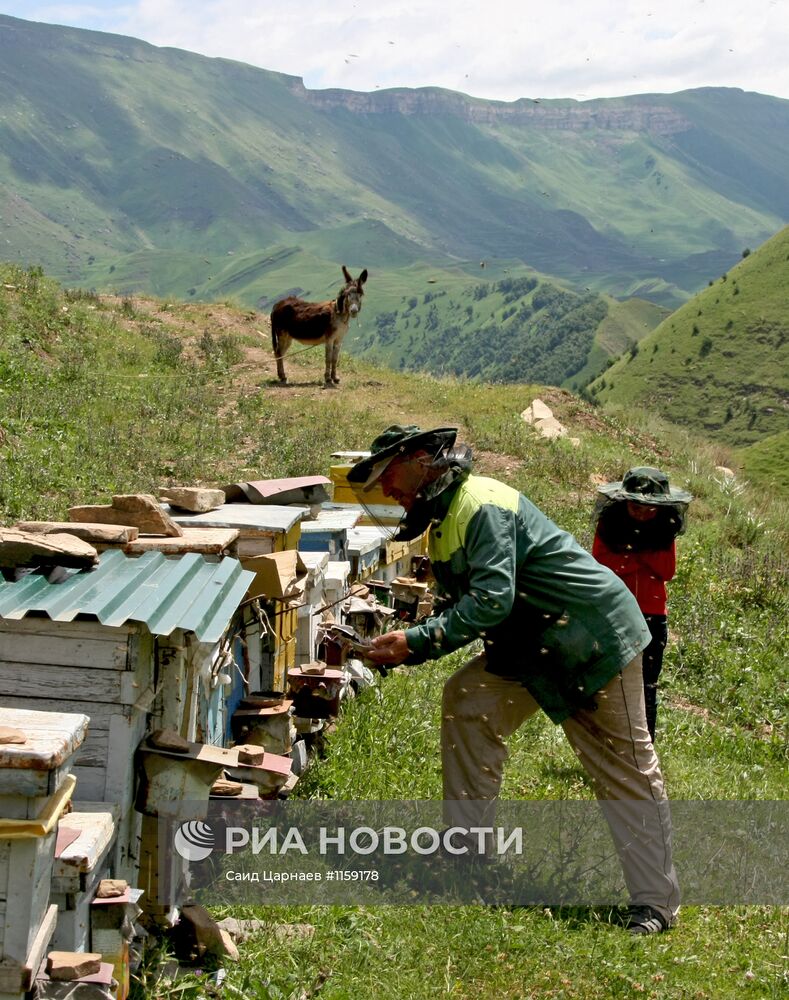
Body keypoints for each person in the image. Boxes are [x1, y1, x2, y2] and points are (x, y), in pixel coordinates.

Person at [348, 425, 680, 935]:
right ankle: (468, 856)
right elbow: (472, 601)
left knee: (624, 766)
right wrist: (413, 636)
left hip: (591, 639)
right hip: (532, 644)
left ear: (420, 460)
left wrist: (415, 643)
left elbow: (490, 602)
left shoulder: (480, 504)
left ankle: (655, 904)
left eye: (389, 476)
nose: (389, 492)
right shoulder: (447, 518)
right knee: (469, 697)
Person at [592, 468, 692, 743]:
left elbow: (666, 570)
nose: (643, 513)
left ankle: (645, 745)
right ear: (625, 502)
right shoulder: (609, 523)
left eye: (650, 508)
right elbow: (601, 565)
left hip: (652, 614)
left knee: (647, 684)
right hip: (611, 611)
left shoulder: (666, 528)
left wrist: (628, 554)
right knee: (606, 679)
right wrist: (641, 556)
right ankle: (605, 741)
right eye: (637, 507)